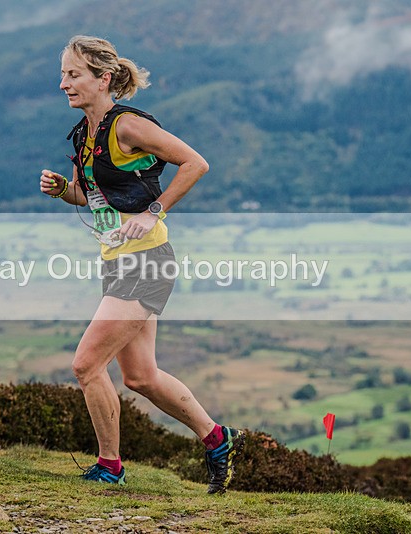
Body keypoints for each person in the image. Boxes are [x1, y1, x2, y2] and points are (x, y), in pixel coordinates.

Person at [39, 35, 244, 494]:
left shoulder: (127, 126)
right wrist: (61, 190)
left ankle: (110, 467)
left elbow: (195, 163)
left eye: (74, 75)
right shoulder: (83, 133)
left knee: (86, 365)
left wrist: (154, 211)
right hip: (118, 261)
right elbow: (94, 199)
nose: (63, 84)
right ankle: (218, 438)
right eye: (64, 74)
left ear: (102, 79)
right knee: (140, 376)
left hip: (146, 261)